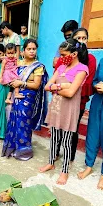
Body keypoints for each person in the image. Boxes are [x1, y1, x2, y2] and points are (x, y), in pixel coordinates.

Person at [40, 38, 88, 185]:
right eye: (60, 55)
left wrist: (58, 88)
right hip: (56, 108)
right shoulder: (61, 67)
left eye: (63, 55)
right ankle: (51, 162)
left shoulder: (82, 69)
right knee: (54, 137)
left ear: (74, 54)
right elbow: (47, 86)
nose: (61, 58)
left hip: (69, 110)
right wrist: (63, 86)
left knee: (67, 142)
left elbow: (71, 93)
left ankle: (64, 171)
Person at [78, 28, 103, 190]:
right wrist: (97, 85)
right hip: (98, 101)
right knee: (92, 133)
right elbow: (94, 80)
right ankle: (89, 165)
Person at [54, 27, 97, 162]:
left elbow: (87, 82)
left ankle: (70, 156)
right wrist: (61, 88)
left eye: (84, 38)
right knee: (58, 126)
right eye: (78, 38)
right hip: (61, 97)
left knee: (72, 128)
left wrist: (69, 89)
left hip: (78, 100)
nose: (82, 41)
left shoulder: (90, 59)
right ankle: (55, 153)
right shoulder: (65, 58)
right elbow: (57, 76)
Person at [2, 39, 48, 160]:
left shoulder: (38, 66)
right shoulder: (18, 63)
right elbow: (11, 77)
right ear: (23, 51)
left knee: (24, 124)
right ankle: (13, 148)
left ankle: (24, 151)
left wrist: (21, 83)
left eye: (34, 49)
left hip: (27, 99)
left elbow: (36, 85)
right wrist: (15, 83)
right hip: (16, 96)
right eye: (29, 49)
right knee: (14, 121)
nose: (32, 51)